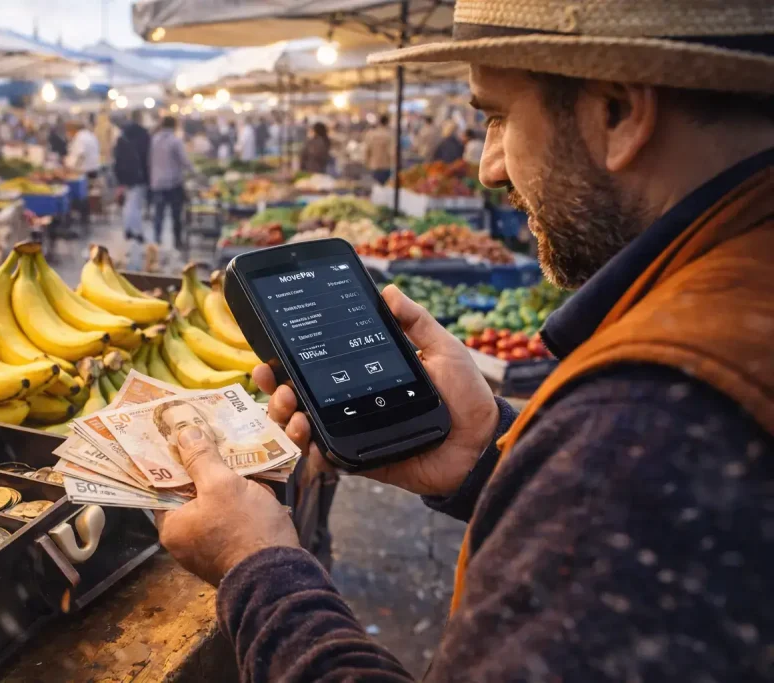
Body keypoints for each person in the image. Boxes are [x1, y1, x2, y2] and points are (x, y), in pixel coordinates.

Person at [154, 0, 774, 680]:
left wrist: (259, 565)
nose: (489, 168)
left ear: (617, 113)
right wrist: (489, 457)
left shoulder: (644, 428)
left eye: (498, 116)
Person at [149, 116, 192, 248]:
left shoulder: (154, 140)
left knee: (158, 214)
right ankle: (177, 241)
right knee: (176, 214)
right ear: (174, 126)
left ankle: (157, 240)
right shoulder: (175, 141)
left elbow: (149, 160)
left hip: (157, 182)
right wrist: (193, 171)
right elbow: (184, 161)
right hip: (173, 183)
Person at [113, 110, 151, 242]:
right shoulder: (143, 134)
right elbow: (147, 156)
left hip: (125, 174)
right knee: (136, 204)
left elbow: (117, 157)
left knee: (129, 202)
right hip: (139, 174)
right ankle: (135, 230)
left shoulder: (122, 135)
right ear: (141, 118)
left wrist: (119, 175)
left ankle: (129, 228)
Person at [364, 114, 394, 184]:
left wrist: (367, 163)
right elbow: (392, 153)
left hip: (374, 165)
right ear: (387, 122)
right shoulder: (389, 135)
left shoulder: (371, 135)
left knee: (375, 189)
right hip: (386, 166)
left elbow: (366, 151)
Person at [72, 113, 101, 181]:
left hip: (85, 173)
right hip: (93, 171)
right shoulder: (92, 136)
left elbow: (81, 155)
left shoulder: (81, 135)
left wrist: (75, 170)